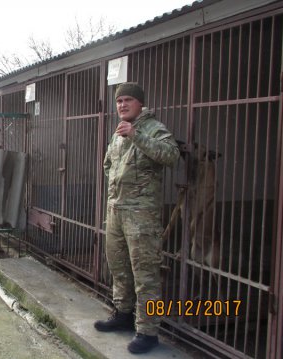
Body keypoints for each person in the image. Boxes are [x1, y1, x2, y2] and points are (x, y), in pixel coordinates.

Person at [95, 83, 179, 354]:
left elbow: (171, 156)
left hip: (142, 215)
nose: (121, 105)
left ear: (140, 103)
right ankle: (123, 315)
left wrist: (136, 135)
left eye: (127, 100)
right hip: (117, 211)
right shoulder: (118, 132)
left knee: (145, 274)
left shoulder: (153, 128)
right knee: (119, 267)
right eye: (119, 101)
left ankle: (147, 331)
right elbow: (109, 164)